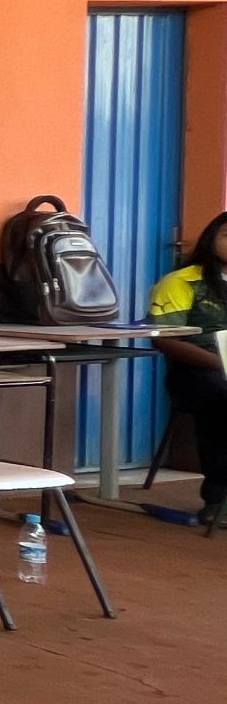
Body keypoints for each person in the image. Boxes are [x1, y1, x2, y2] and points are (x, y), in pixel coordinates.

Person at [150, 212, 227, 526]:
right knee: (221, 397)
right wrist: (221, 363)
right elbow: (165, 340)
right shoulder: (182, 281)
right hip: (197, 372)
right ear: (211, 239)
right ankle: (219, 497)